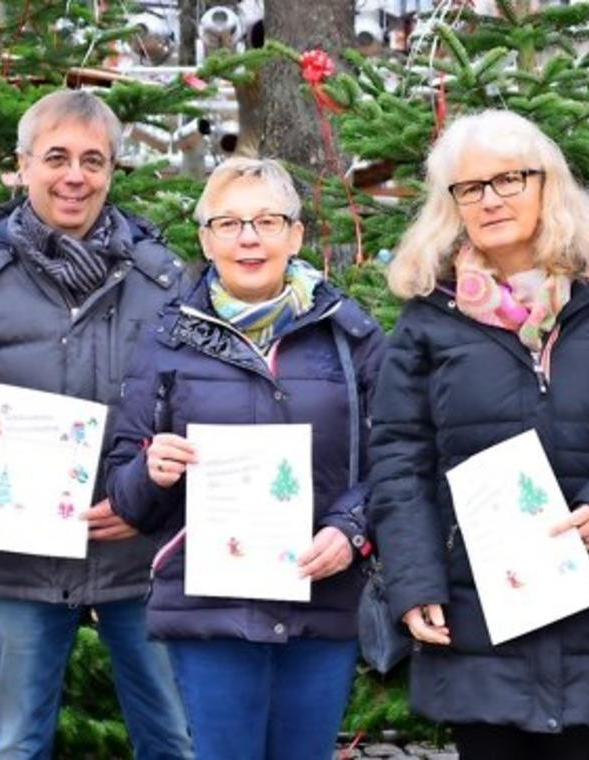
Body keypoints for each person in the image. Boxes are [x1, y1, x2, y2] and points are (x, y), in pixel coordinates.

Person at [366, 110, 589, 759]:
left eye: (509, 180)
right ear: (452, 205)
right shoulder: (428, 316)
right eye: (470, 188)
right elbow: (398, 456)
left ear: (547, 184)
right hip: (476, 615)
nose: (490, 199)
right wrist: (414, 582)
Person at [104, 157, 385, 760]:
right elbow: (124, 492)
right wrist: (151, 470)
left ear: (297, 235)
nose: (249, 238)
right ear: (206, 240)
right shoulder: (165, 339)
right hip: (209, 607)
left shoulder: (351, 336)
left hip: (321, 596)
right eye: (228, 223)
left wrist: (352, 529)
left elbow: (395, 457)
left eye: (266, 220)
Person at [0, 90, 191, 760]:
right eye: (55, 158)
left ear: (112, 171)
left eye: (92, 160)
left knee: (172, 737)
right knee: (18, 743)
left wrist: (148, 498)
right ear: (22, 167)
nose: (73, 176)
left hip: (140, 549)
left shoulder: (164, 281)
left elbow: (199, 404)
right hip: (25, 554)